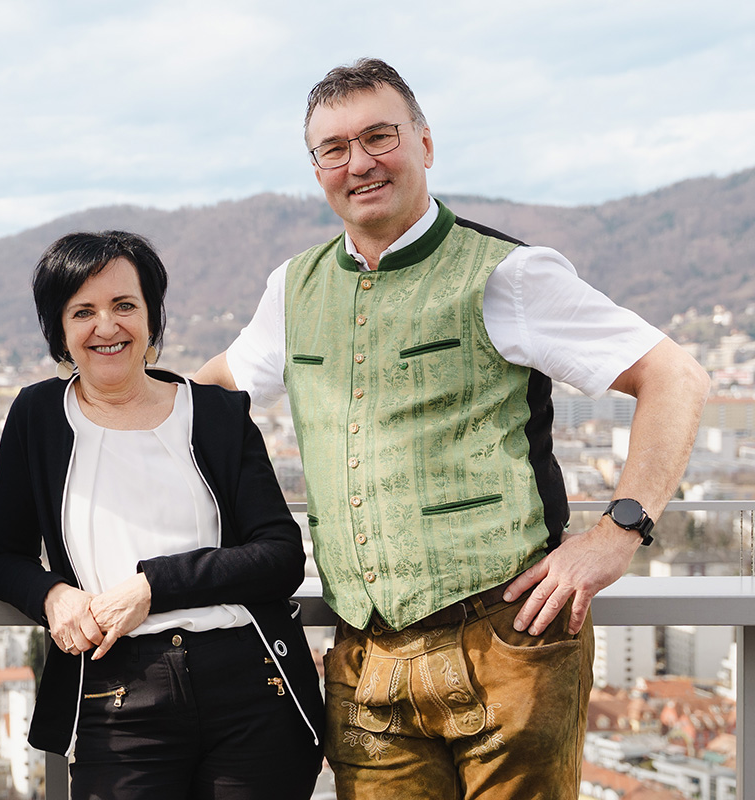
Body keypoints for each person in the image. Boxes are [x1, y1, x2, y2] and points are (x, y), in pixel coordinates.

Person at [195, 59, 709, 798]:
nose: (359, 163)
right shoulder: (292, 288)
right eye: (334, 149)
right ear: (317, 171)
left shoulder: (508, 274)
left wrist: (618, 532)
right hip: (367, 658)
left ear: (425, 145)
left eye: (380, 137)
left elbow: (676, 377)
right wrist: (81, 403)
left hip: (509, 641)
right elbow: (212, 394)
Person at [0, 231, 323, 800]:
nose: (106, 327)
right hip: (115, 694)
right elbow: (2, 555)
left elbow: (280, 555)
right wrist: (52, 597)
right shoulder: (37, 416)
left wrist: (152, 586)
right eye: (82, 311)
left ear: (151, 316)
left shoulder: (214, 413)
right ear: (59, 329)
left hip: (250, 689)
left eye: (124, 306)